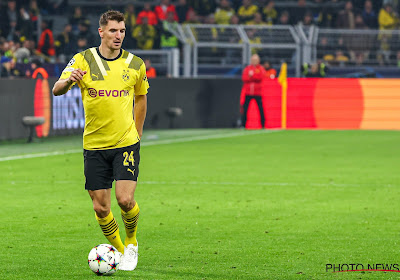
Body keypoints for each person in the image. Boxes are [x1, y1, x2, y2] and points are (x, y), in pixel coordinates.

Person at [52, 10, 149, 272]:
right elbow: (56, 89)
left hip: (125, 143)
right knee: (100, 206)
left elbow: (141, 97)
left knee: (125, 200)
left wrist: (137, 133)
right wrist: (69, 80)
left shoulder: (135, 64)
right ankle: (118, 250)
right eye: (114, 31)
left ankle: (131, 243)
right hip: (94, 145)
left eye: (122, 31)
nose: (119, 36)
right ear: (101, 32)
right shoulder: (82, 60)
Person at [241, 54, 266, 129]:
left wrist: (252, 76)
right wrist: (252, 77)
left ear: (258, 61)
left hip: (258, 93)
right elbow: (245, 78)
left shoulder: (261, 68)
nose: (254, 61)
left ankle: (263, 125)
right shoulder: (247, 68)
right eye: (253, 60)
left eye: (256, 60)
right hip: (248, 92)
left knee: (260, 109)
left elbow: (260, 77)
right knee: (245, 109)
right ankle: (243, 125)